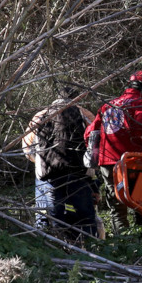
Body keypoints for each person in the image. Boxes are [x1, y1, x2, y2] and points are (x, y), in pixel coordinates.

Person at [85, 70, 142, 235]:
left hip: (107, 162)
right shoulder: (140, 103)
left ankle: (123, 243)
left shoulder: (108, 105)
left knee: (117, 205)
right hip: (132, 160)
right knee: (140, 201)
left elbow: (90, 132)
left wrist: (96, 153)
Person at [22, 87, 99, 242]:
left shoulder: (40, 116)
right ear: (77, 98)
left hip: (48, 177)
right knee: (85, 218)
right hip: (79, 175)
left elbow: (26, 148)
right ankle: (91, 252)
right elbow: (96, 145)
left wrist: (40, 161)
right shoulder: (85, 114)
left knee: (46, 218)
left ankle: (48, 250)